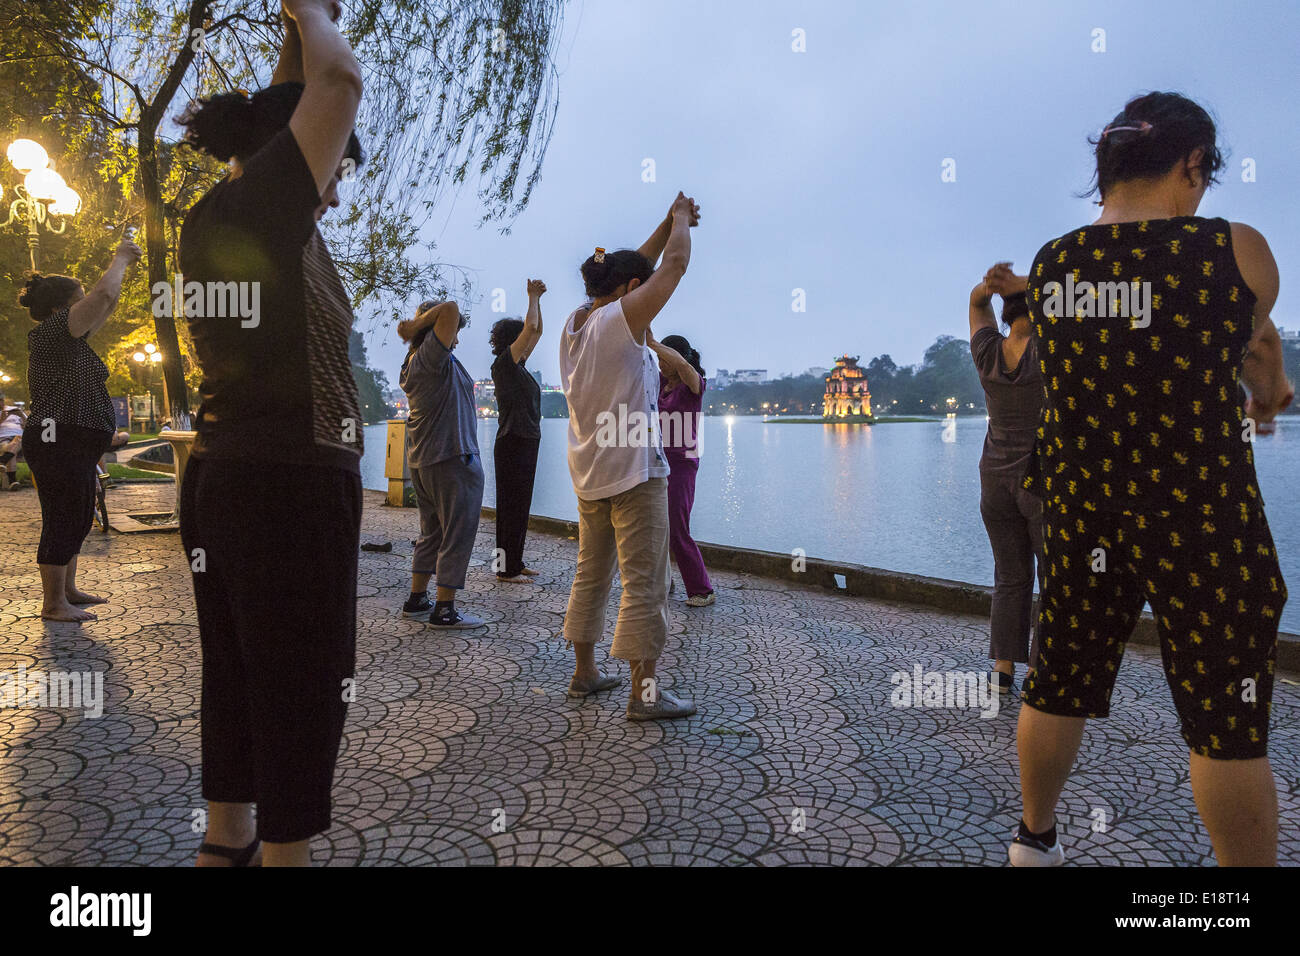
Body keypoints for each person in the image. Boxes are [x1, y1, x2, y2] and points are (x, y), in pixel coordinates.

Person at [1012, 92, 1294, 867]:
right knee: (1227, 724)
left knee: (1056, 677)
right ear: (1193, 162)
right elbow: (1251, 344)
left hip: (1079, 502)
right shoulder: (1236, 250)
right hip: (1200, 508)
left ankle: (1033, 841)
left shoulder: (1052, 264)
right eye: (1204, 175)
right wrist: (1267, 391)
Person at [176, 0, 366, 867]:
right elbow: (338, 80)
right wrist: (306, 7)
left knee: (241, 668)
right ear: (287, 159)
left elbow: (298, 86)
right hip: (290, 485)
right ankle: (287, 855)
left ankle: (230, 840)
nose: (333, 187)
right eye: (331, 170)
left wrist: (303, 22)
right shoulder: (263, 212)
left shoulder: (226, 212)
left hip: (229, 477)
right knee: (301, 684)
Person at [560, 192, 701, 720]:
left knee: (590, 574)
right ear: (627, 293)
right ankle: (646, 695)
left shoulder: (577, 323)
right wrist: (683, 222)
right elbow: (675, 267)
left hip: (589, 476)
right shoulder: (619, 322)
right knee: (647, 580)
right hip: (635, 476)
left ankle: (584, 672)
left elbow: (634, 271)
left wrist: (665, 221)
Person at [18, 247, 141, 620]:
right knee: (63, 515)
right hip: (57, 439)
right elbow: (102, 296)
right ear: (61, 308)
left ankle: (67, 590)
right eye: (78, 298)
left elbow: (107, 302)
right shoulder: (52, 334)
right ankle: (53, 604)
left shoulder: (69, 338)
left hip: (75, 441)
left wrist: (120, 275)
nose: (86, 302)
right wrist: (119, 258)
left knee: (78, 514)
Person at [969, 263, 1043, 693]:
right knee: (1052, 578)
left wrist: (990, 286)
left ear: (1008, 315)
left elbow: (976, 304)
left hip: (993, 479)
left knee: (1010, 574)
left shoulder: (988, 354)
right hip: (1042, 481)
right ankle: (1039, 669)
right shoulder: (1052, 352)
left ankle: (1002, 669)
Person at [397, 299, 486, 629]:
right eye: (455, 330)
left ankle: (417, 599)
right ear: (432, 328)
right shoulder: (431, 356)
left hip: (424, 460)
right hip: (451, 458)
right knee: (457, 534)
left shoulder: (413, 361)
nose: (457, 337)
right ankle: (445, 609)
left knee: (431, 532)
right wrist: (415, 325)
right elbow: (449, 308)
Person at [650, 332, 714, 606]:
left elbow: (686, 369)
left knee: (677, 528)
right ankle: (664, 581)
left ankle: (702, 589)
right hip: (656, 461)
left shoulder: (693, 384)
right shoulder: (661, 381)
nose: (660, 364)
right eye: (658, 359)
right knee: (654, 525)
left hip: (682, 464)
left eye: (665, 359)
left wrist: (655, 344)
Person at [489, 280, 546, 583]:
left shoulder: (519, 366)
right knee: (509, 505)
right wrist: (532, 297)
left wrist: (539, 303)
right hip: (512, 441)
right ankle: (505, 569)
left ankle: (515, 561)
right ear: (513, 341)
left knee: (520, 505)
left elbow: (535, 331)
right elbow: (531, 327)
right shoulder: (504, 366)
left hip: (526, 440)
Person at [0, 394, 26, 490]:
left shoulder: (13, 409)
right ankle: (12, 482)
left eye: (1, 400)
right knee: (12, 449)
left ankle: (2, 460)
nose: (1, 402)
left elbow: (28, 425)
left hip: (19, 437)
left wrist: (21, 416)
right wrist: (1, 419)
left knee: (17, 440)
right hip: (2, 439)